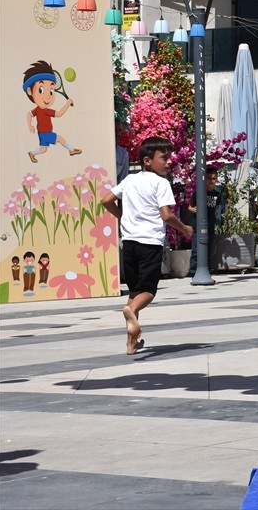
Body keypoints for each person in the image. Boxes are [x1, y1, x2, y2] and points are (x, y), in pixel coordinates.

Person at [100, 136, 193, 355]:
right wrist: (184, 229)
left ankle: (131, 344)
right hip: (149, 243)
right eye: (164, 158)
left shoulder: (130, 180)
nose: (169, 161)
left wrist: (122, 217)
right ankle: (130, 311)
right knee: (149, 291)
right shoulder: (161, 183)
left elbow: (105, 200)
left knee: (135, 291)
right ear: (147, 161)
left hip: (129, 243)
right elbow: (167, 215)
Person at [186, 167, 226, 278]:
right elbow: (190, 207)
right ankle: (193, 271)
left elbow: (217, 207)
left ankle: (206, 270)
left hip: (210, 224)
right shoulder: (198, 192)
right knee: (196, 250)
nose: (211, 181)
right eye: (208, 178)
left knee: (208, 249)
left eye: (214, 178)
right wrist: (194, 210)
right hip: (197, 225)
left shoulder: (217, 195)